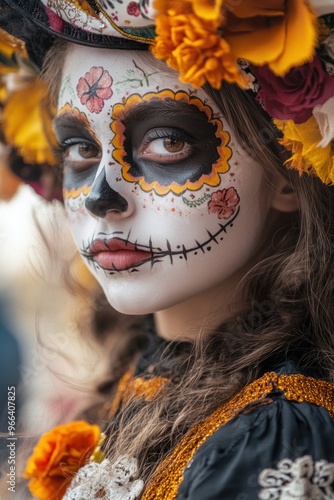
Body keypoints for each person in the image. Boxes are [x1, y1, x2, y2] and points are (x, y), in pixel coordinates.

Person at [1, 0, 334, 498]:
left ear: (286, 165)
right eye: (80, 149)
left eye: (168, 144)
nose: (101, 198)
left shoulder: (277, 436)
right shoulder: (144, 374)